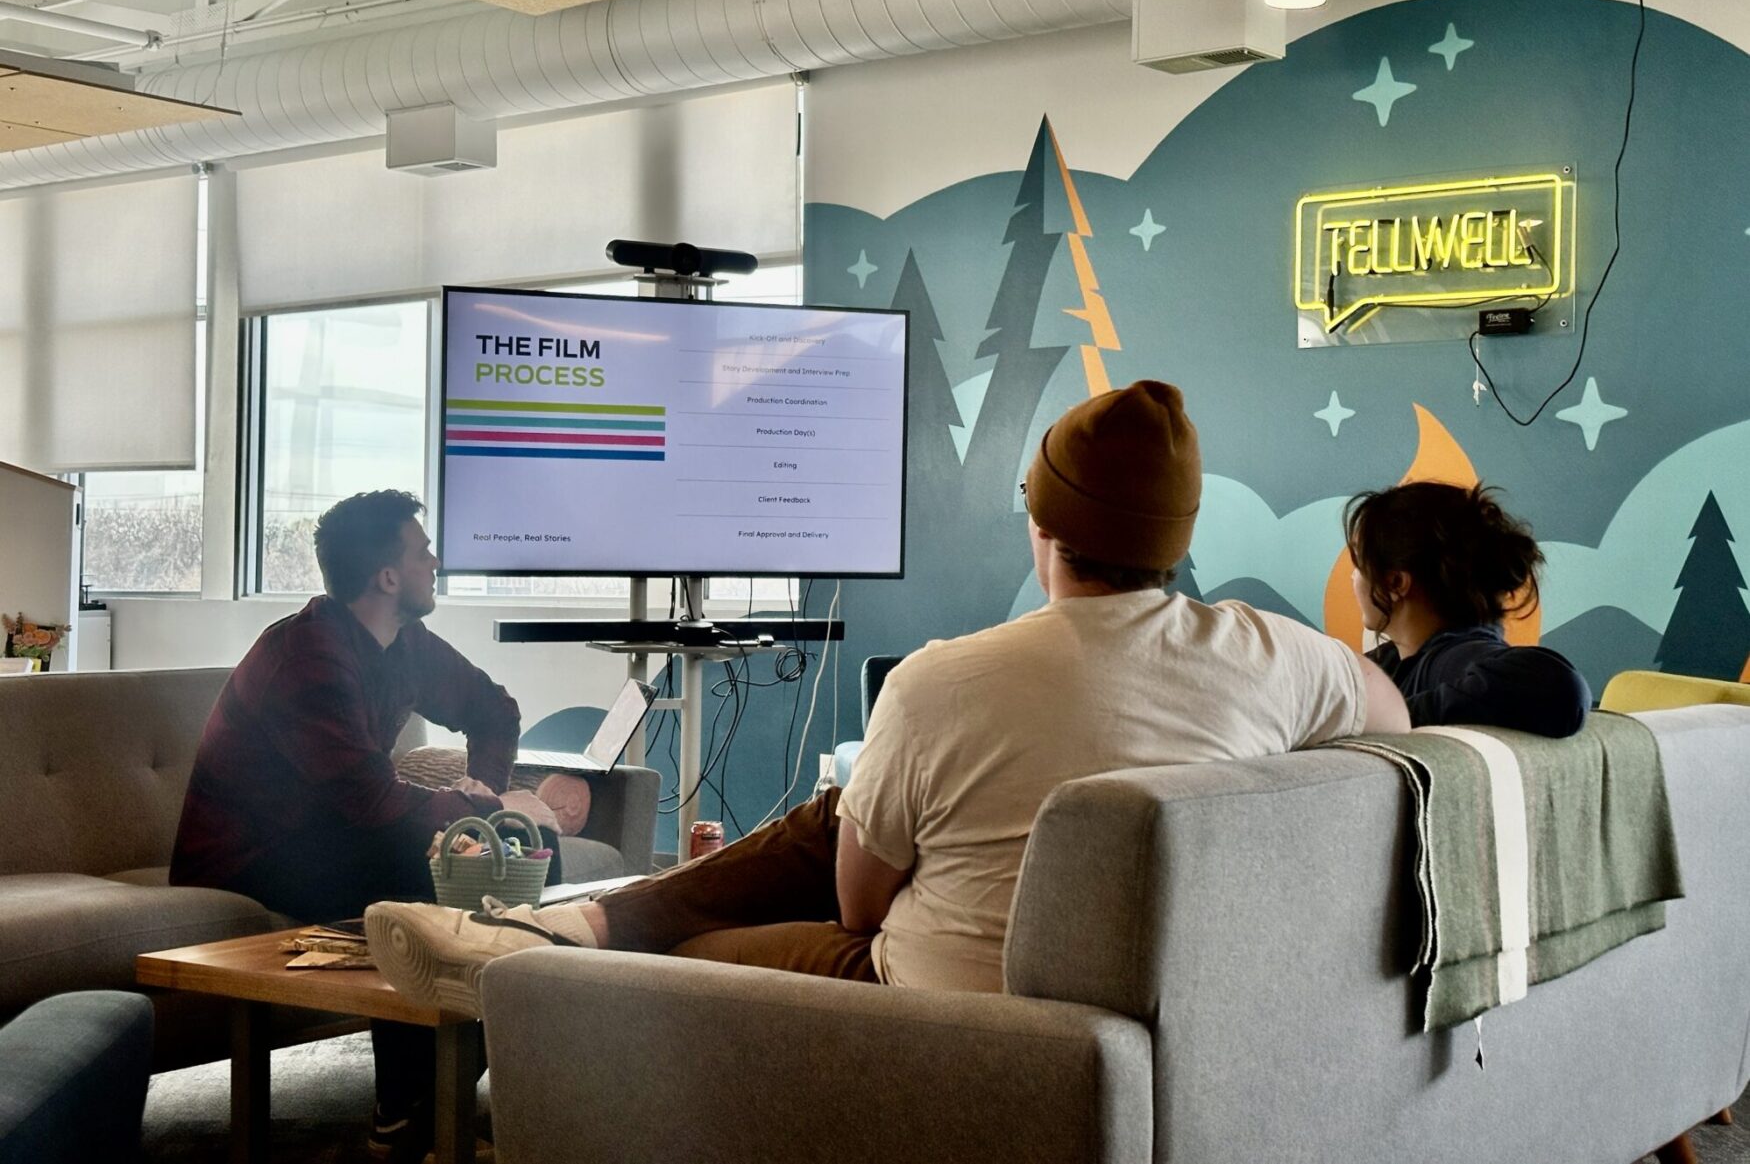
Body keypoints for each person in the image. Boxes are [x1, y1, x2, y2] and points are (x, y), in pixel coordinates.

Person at [365, 381, 1410, 1011]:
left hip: (935, 1004)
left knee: (705, 932)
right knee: (846, 815)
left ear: (1043, 526)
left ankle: (563, 942)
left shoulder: (946, 678)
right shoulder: (1280, 655)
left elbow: (859, 908)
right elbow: (1395, 717)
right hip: (1167, 995)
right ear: (1176, 538)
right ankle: (571, 924)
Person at [169, 489, 557, 1161]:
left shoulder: (406, 642)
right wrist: (471, 813)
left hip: (334, 832)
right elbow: (371, 803)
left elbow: (493, 711)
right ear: (386, 576)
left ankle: (443, 1088)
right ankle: (405, 1111)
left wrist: (488, 797)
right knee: (417, 865)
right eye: (422, 550)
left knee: (522, 851)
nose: (435, 561)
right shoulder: (307, 655)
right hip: (250, 851)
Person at [1345, 481, 1591, 736]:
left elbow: (1562, 690)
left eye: (1359, 565)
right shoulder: (1387, 663)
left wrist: (1392, 719)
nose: (1353, 578)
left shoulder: (1455, 658)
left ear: (1396, 583)